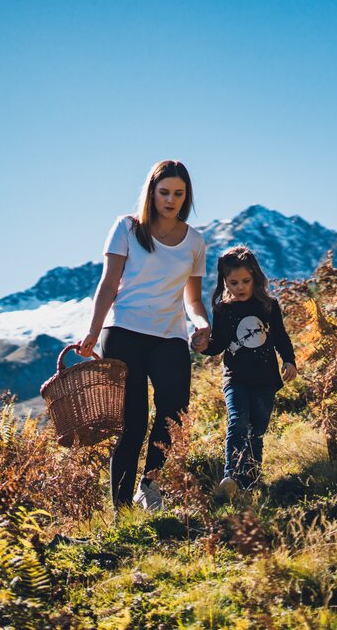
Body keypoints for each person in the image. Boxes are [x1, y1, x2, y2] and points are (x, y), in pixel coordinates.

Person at [78, 160, 210, 513]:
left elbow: (193, 298)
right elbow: (108, 285)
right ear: (151, 192)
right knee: (132, 423)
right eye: (164, 192)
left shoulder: (195, 242)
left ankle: (149, 487)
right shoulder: (126, 227)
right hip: (122, 333)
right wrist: (93, 332)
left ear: (187, 197)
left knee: (173, 414)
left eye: (178, 194)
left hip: (169, 336)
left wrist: (200, 323)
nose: (171, 200)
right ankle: (122, 511)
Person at [194, 245, 297, 496]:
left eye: (245, 281)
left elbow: (281, 337)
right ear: (224, 282)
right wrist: (204, 346)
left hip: (265, 380)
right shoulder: (223, 310)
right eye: (233, 282)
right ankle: (231, 476)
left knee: (256, 431)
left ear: (255, 278)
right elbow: (218, 345)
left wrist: (288, 360)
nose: (240, 287)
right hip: (235, 378)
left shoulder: (268, 306)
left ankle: (250, 481)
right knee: (237, 421)